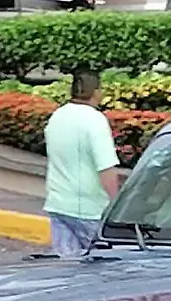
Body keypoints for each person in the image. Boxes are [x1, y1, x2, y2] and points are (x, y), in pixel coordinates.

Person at [42, 70, 122, 257]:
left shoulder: (58, 116)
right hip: (91, 209)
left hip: (59, 205)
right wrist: (117, 205)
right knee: (101, 269)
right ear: (96, 92)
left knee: (68, 268)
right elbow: (106, 169)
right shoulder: (95, 121)